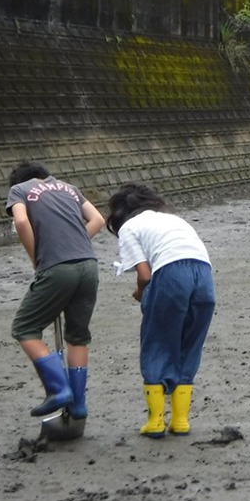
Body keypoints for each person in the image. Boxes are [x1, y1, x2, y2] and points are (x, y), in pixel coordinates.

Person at [106, 182, 216, 438]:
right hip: (204, 275)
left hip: (171, 273)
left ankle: (155, 422)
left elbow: (144, 275)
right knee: (190, 344)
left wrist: (141, 294)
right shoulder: (175, 220)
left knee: (156, 342)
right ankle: (180, 421)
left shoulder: (129, 228)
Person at [6, 162, 105, 422]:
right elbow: (98, 220)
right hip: (88, 266)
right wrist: (74, 242)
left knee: (24, 328)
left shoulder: (19, 190)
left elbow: (20, 221)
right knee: (78, 336)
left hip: (56, 268)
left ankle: (59, 389)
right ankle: (79, 406)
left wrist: (36, 257)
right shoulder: (70, 188)